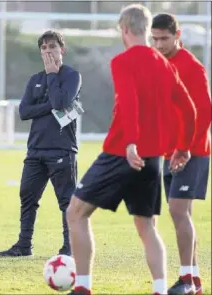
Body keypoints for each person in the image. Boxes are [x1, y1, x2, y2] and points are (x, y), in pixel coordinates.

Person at [65, 4, 197, 295]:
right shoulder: (165, 64)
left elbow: (128, 102)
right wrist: (183, 147)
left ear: (124, 30)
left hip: (121, 152)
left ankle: (83, 288)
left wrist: (130, 142)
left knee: (75, 213)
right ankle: (160, 290)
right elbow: (189, 109)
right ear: (148, 30)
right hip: (152, 158)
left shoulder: (122, 61)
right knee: (146, 225)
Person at [0, 30, 82, 257]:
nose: (47, 52)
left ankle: (69, 247)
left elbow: (60, 101)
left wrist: (53, 75)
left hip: (62, 149)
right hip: (35, 149)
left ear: (61, 49)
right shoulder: (34, 79)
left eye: (52, 47)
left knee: (66, 200)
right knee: (27, 195)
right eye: (43, 48)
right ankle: (24, 245)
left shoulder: (72, 76)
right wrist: (51, 108)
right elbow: (24, 111)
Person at [151, 13, 211, 295]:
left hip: (192, 151)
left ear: (178, 35)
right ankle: (194, 281)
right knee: (181, 214)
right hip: (168, 152)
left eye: (164, 38)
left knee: (177, 210)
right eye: (155, 39)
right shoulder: (159, 64)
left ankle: (186, 280)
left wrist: (186, 148)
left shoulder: (191, 67)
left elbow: (204, 111)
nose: (159, 44)